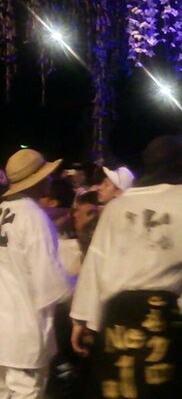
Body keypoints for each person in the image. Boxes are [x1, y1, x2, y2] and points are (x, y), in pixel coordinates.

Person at [70, 135, 182, 399]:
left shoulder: (117, 206)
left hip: (117, 320)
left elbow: (96, 263)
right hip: (162, 319)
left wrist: (81, 319)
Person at [0, 148, 72, 398]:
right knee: (27, 393)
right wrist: (78, 289)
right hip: (23, 330)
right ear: (38, 180)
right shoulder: (33, 217)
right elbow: (50, 283)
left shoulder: (2, 211)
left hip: (3, 324)